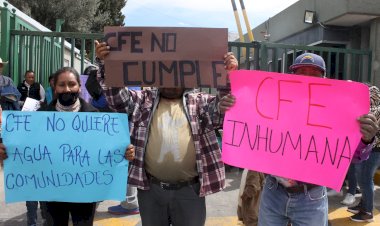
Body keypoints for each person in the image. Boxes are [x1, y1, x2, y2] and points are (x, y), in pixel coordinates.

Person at [95, 40, 237, 226]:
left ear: (187, 77)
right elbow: (116, 98)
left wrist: (228, 74)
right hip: (151, 190)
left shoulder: (201, 102)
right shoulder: (142, 100)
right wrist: (107, 63)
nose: (171, 81)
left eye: (176, 76)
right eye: (166, 75)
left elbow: (221, 108)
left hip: (190, 191)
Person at [0, 67, 136, 226]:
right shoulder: (37, 119)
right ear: (54, 87)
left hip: (85, 191)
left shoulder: (97, 119)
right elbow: (22, 150)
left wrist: (126, 153)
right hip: (50, 192)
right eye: (62, 85)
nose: (67, 89)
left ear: (79, 86)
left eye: (72, 84)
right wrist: (6, 152)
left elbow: (112, 152)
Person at [257, 53, 379, 226]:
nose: (307, 79)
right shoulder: (274, 105)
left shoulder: (337, 113)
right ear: (292, 77)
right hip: (273, 191)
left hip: (311, 197)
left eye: (314, 74)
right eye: (302, 73)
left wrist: (366, 140)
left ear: (324, 79)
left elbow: (355, 156)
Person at [83, 65, 140, 215]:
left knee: (120, 165)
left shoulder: (105, 97)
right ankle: (129, 202)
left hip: (115, 134)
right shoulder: (129, 86)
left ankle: (129, 202)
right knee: (123, 165)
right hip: (122, 132)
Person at [347, 85, 380, 223]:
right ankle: (364, 205)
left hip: (374, 150)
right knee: (362, 178)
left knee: (365, 180)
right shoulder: (368, 110)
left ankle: (367, 211)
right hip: (366, 149)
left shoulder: (375, 111)